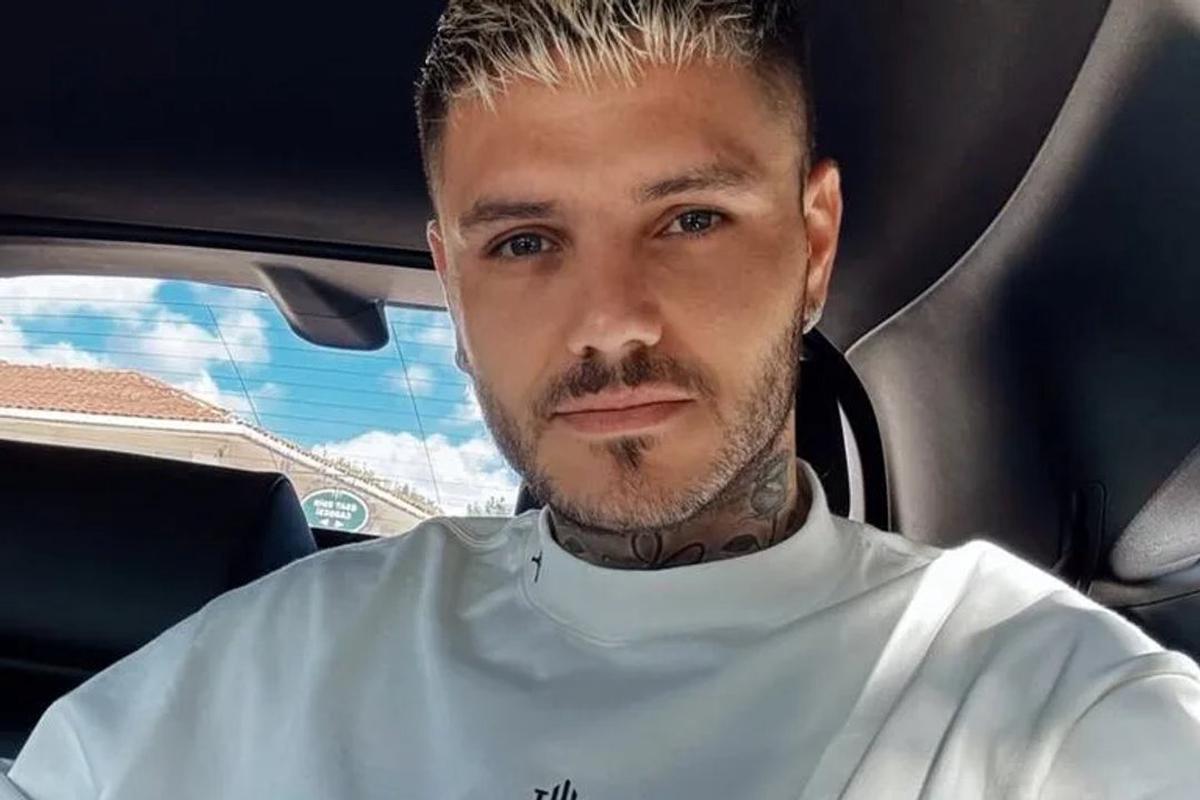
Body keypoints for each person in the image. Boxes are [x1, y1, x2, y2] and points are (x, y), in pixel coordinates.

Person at [5, 1, 1200, 798]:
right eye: (525, 242)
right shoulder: (279, 656)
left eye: (690, 219)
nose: (610, 318)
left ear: (812, 243)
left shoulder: (1034, 695)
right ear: (454, 287)